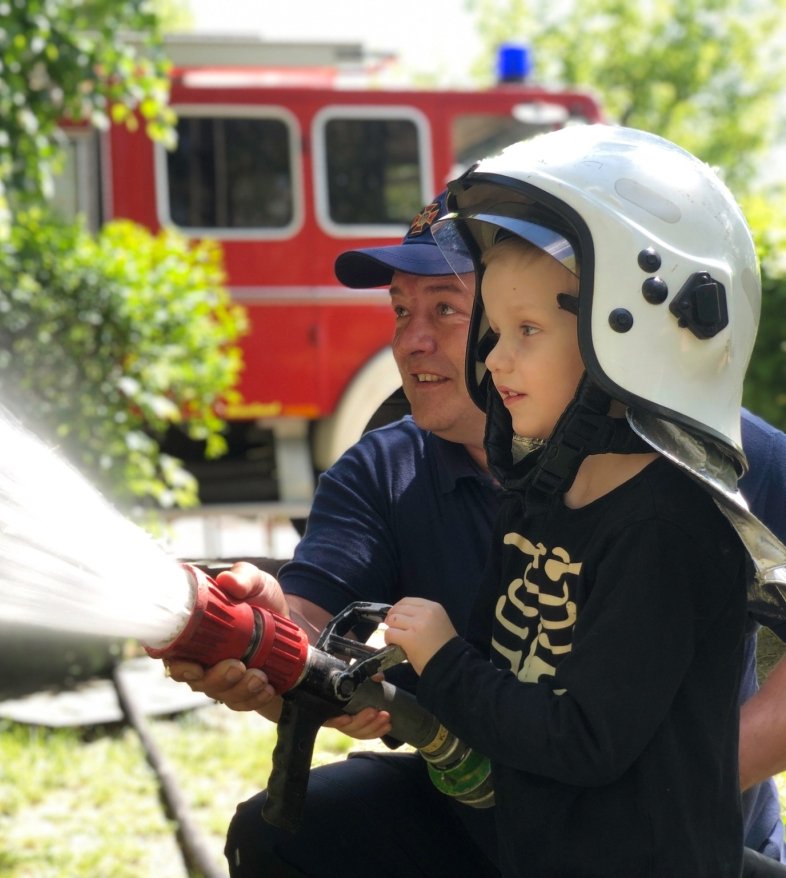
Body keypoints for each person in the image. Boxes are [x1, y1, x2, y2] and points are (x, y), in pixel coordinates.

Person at [167, 175, 786, 873]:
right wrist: (271, 641)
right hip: (495, 805)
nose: (412, 341)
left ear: (600, 332)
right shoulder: (387, 471)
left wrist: (673, 781)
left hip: (670, 835)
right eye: (400, 310)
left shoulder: (716, 463)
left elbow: (593, 742)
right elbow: (315, 628)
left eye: (448, 309)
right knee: (282, 835)